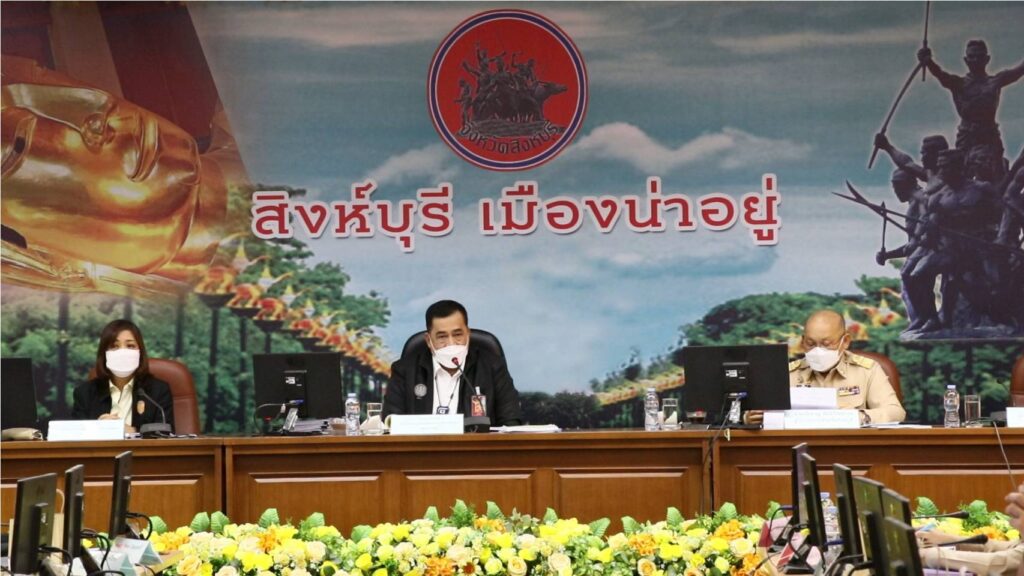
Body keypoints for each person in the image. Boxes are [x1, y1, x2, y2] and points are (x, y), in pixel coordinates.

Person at [745, 310, 906, 425]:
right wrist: (749, 418)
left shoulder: (866, 370)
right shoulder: (787, 373)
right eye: (810, 343)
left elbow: (895, 412)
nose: (817, 350)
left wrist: (859, 417)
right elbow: (754, 412)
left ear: (845, 341)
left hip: (850, 449)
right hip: (797, 447)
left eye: (826, 344)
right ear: (802, 341)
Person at [383, 300, 522, 426]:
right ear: (428, 340)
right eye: (442, 337)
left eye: (457, 335)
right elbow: (391, 423)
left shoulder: (493, 367)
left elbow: (511, 421)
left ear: (468, 334)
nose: (451, 343)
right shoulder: (404, 371)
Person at [72, 319, 174, 434]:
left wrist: (132, 431)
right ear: (104, 354)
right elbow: (75, 437)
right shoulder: (84, 393)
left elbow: (166, 434)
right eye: (114, 346)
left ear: (140, 352)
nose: (122, 352)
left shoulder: (158, 391)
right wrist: (97, 428)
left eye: (130, 346)